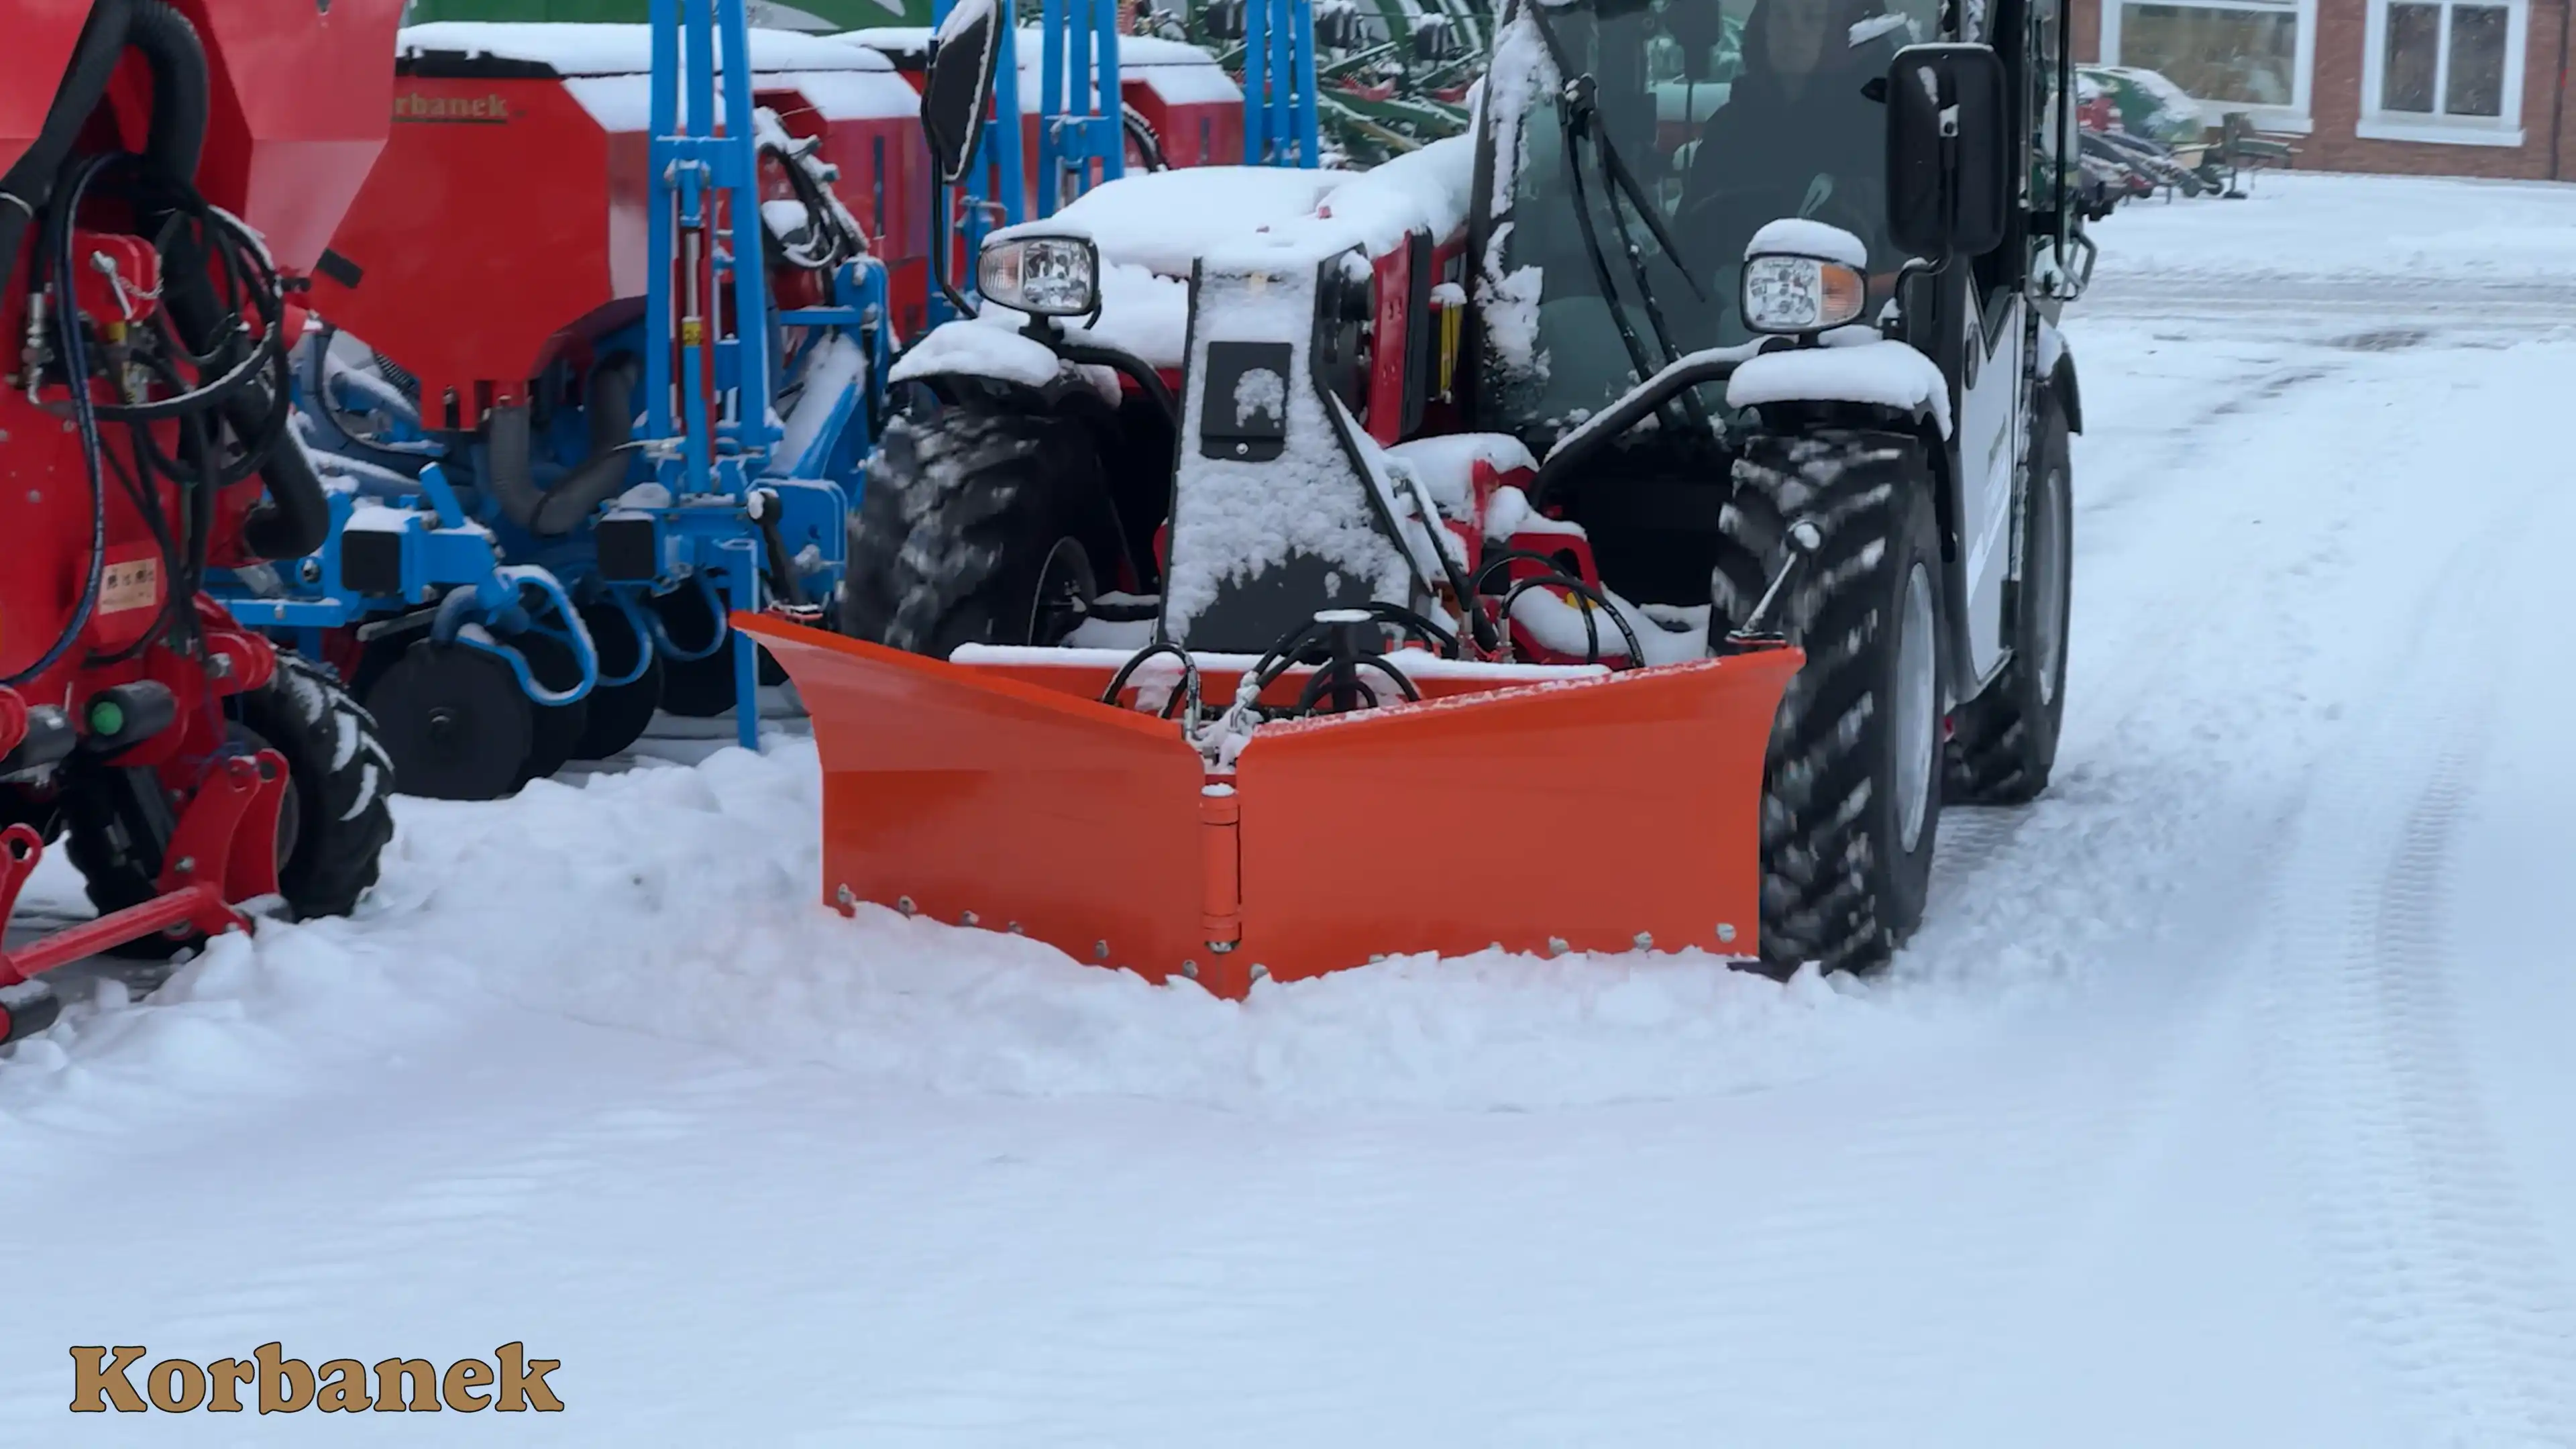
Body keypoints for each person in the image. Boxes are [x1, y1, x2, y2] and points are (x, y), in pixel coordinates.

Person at [1680, 0, 1910, 276]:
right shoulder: (1730, 126)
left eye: (1811, 18)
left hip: (1850, 305)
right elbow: (1686, 244)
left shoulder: (1881, 122)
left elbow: (1901, 250)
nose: (1793, 31)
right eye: (1781, 15)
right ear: (1762, 25)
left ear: (1844, 30)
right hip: (1728, 304)